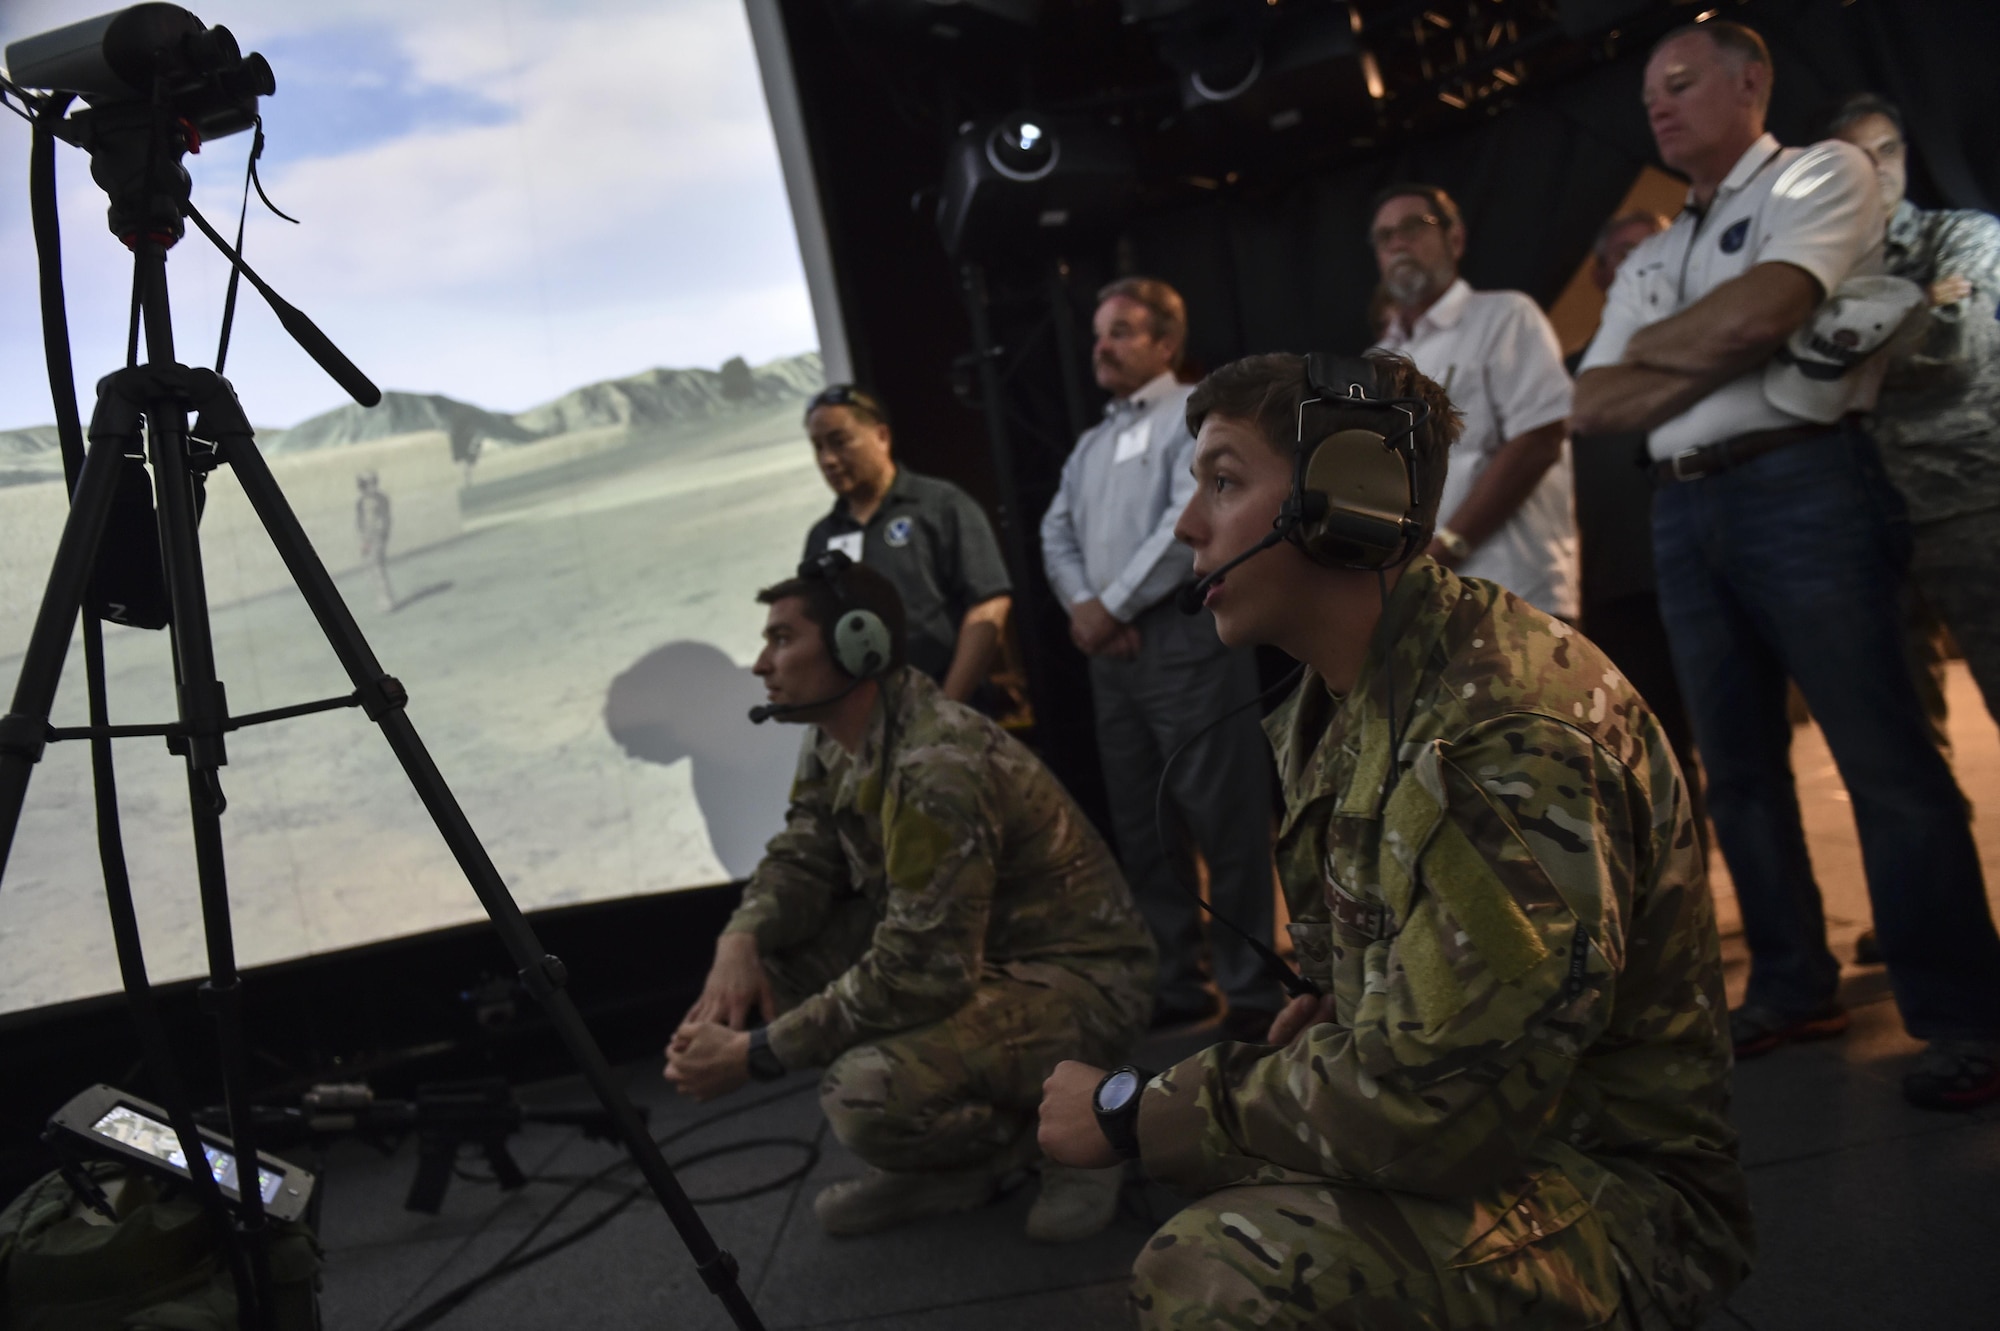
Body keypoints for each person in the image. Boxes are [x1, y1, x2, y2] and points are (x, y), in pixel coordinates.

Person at [1037, 350, 1753, 1328]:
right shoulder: (1336, 709)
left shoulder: (1499, 738)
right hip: (1501, 1135)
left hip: (1614, 1193)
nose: (1186, 525)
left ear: (1347, 499)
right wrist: (1342, 1010)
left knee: (1215, 1266)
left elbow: (1443, 1107)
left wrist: (1133, 1107)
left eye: (1222, 480)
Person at [1572, 21, 2000, 1109]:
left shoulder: (1823, 173)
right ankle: (1791, 982)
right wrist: (1726, 340)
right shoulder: (1658, 244)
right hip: (1683, 509)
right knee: (1740, 771)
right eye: (1647, 95)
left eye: (1680, 83)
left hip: (1804, 483)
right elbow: (1587, 399)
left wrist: (1708, 334)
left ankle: (1962, 1018)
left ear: (1750, 81)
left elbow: (1763, 310)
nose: (1658, 107)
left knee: (1882, 758)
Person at [665, 553, 1155, 1242]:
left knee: (860, 1094)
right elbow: (805, 848)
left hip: (1081, 984)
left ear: (856, 646)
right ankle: (956, 1165)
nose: (759, 664)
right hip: (978, 958)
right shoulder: (836, 736)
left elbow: (922, 967)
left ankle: (1074, 1131)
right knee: (772, 967)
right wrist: (740, 936)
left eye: (781, 639)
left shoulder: (937, 764)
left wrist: (756, 1053)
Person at [1038, 276, 1279, 1042]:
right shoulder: (1091, 442)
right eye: (1100, 333)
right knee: (1146, 826)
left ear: (1166, 344)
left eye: (1121, 332)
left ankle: (1254, 983)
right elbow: (1054, 533)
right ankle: (1180, 977)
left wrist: (1111, 605)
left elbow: (1192, 520)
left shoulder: (1195, 416)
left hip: (1182, 638)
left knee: (1223, 815)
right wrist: (1087, 609)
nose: (1101, 346)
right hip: (1113, 657)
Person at [1829, 94, 2000, 727]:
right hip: (1866, 526)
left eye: (1889, 149)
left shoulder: (1963, 235)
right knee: (1907, 749)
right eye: (1859, 156)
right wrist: (1915, 303)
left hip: (1972, 507)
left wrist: (1843, 342)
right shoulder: (1815, 274)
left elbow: (1950, 345)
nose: (1880, 168)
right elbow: (1795, 365)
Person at [1370, 182, 1580, 619]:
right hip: (1420, 607)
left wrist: (1446, 546)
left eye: (1413, 226)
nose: (1398, 243)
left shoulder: (1504, 316)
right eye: (1385, 236)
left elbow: (1539, 438)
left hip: (1514, 591)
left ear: (1456, 238)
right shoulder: (1375, 363)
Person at [1569, 210, 1708, 849]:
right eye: (1624, 251)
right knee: (1660, 764)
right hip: (1622, 590)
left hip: (1714, 568)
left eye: (1652, 247)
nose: (1639, 261)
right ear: (1600, 273)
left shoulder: (1711, 352)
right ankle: (1691, 915)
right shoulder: (1569, 378)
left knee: (1742, 754)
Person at [801, 384, 1014, 706]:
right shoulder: (822, 536)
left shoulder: (941, 505)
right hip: (864, 717)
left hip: (946, 706)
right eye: (817, 447)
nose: (828, 459)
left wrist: (947, 705)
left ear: (882, 436)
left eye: (839, 442)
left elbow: (989, 604)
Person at [355, 471, 395, 611]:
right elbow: (361, 522)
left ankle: (386, 600)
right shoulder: (361, 502)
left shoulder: (381, 499)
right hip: (368, 537)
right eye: (367, 484)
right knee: (372, 568)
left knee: (378, 567)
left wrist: (382, 535)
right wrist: (364, 540)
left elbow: (385, 519)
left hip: (378, 536)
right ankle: (382, 598)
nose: (371, 487)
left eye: (373, 483)